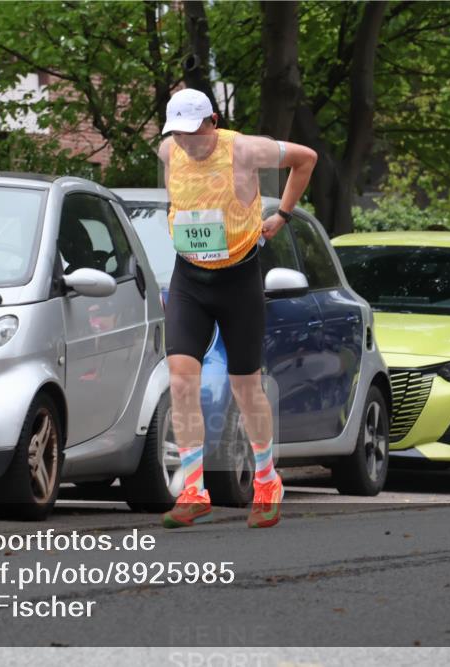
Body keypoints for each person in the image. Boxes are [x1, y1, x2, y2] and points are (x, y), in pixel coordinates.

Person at [157, 89, 317, 529]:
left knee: (246, 385)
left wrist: (282, 215)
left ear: (212, 121)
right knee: (181, 379)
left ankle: (267, 481)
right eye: (179, 134)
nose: (187, 143)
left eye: (194, 133)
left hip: (238, 278)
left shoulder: (244, 149)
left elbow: (306, 158)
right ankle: (193, 489)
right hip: (189, 277)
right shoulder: (168, 150)